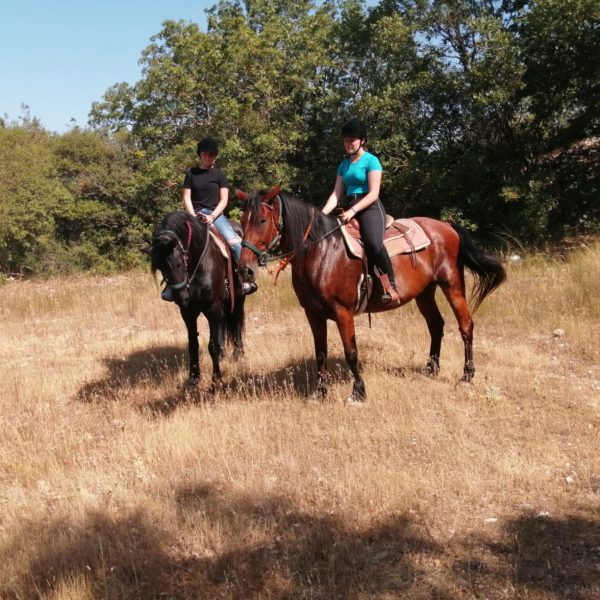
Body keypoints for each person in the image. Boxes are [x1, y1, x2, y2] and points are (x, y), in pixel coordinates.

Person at [162, 137, 257, 301]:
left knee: (235, 243)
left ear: (215, 156)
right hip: (193, 213)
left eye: (212, 154)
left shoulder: (219, 175)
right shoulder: (191, 174)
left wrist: (212, 216)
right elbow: (186, 198)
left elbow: (224, 200)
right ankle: (171, 285)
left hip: (215, 215)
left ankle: (244, 280)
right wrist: (192, 216)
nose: (208, 157)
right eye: (206, 153)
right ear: (200, 154)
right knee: (173, 245)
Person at [321, 119, 399, 304]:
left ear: (362, 140)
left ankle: (391, 286)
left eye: (352, 140)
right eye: (346, 140)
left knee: (373, 243)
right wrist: (320, 215)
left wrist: (353, 211)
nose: (348, 143)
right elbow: (336, 194)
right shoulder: (343, 165)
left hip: (370, 207)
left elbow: (374, 193)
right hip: (350, 207)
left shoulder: (371, 161)